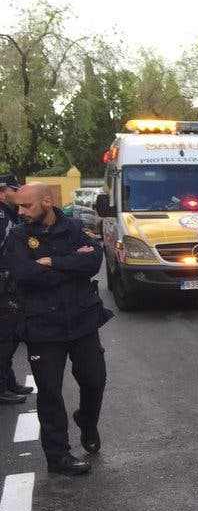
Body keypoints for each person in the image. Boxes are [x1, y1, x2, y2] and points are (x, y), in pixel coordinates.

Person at [7, 183, 111, 477]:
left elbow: (92, 261)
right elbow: (24, 274)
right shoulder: (18, 236)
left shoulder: (75, 228)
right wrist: (70, 267)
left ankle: (87, 421)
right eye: (18, 206)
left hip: (82, 320)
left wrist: (53, 262)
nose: (21, 211)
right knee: (50, 392)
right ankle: (58, 457)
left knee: (95, 380)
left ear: (47, 202)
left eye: (27, 206)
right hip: (42, 325)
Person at [0, 174, 31, 405]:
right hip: (3, 286)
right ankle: (2, 387)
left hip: (10, 284)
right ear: (3, 191)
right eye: (14, 190)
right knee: (5, 339)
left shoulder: (11, 214)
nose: (18, 194)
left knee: (9, 337)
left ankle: (9, 382)